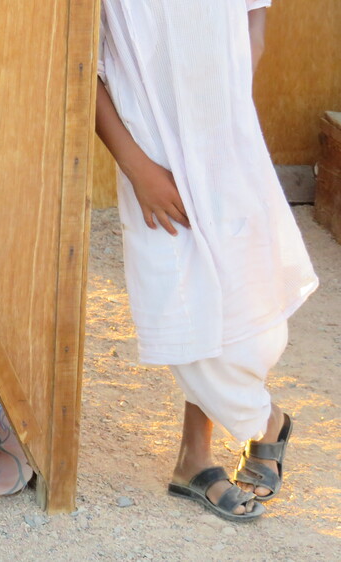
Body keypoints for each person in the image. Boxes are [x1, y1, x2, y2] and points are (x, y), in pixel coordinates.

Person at [95, 0, 318, 521]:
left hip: (225, 140)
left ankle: (193, 459)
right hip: (150, 149)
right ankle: (265, 421)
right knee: (177, 303)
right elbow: (78, 65)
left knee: (237, 302)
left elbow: (254, 22)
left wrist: (221, 119)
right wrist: (135, 165)